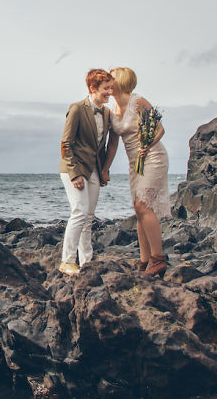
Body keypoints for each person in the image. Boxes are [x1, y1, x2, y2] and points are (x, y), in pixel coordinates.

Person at [109, 67, 171, 278]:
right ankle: (144, 261)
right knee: (139, 210)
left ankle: (158, 258)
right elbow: (113, 145)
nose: (109, 81)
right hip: (134, 163)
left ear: (121, 80)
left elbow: (160, 128)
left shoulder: (138, 101)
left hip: (152, 156)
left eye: (112, 77)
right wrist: (105, 168)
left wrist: (147, 144)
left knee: (143, 205)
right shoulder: (112, 108)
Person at [58, 69, 119, 275]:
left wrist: (104, 170)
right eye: (106, 88)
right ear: (93, 88)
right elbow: (66, 144)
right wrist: (75, 174)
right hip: (73, 168)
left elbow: (107, 144)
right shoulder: (77, 109)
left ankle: (86, 262)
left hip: (93, 169)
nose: (110, 92)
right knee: (79, 211)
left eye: (111, 88)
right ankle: (67, 261)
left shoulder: (107, 113)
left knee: (89, 217)